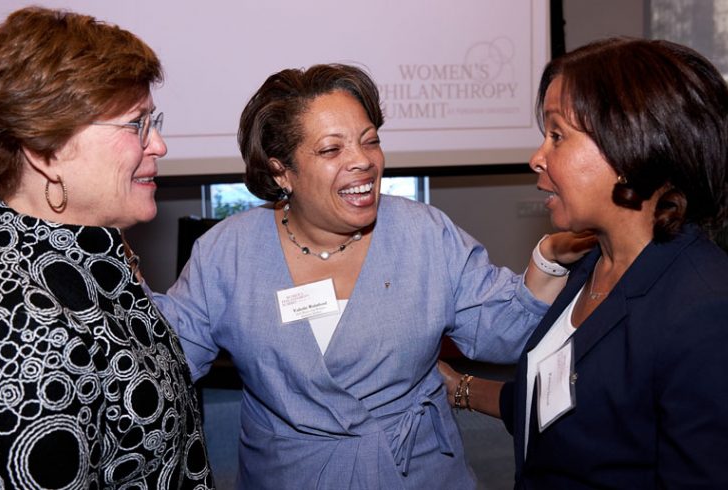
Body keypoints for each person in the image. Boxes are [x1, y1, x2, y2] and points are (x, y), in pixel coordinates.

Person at [151, 63, 590, 489]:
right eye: (331, 149)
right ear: (281, 171)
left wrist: (548, 259)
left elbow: (505, 332)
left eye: (370, 141)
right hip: (288, 474)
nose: (363, 161)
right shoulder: (227, 253)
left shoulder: (424, 234)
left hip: (416, 472)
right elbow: (168, 360)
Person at [438, 37, 728, 488]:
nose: (537, 158)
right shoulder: (594, 263)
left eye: (557, 135)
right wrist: (461, 390)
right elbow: (576, 403)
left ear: (629, 147)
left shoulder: (711, 316)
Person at [0, 7, 213, 489]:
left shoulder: (65, 235)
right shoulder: (14, 335)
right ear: (44, 149)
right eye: (135, 125)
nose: (158, 145)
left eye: (153, 121)